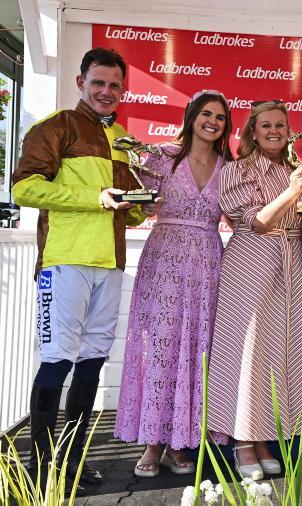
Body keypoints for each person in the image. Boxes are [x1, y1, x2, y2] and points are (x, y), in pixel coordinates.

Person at [12, 47, 159, 490]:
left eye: (115, 85)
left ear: (123, 90)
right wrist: (94, 199)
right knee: (57, 360)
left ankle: (73, 460)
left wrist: (142, 208)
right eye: (98, 82)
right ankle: (40, 464)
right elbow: (24, 188)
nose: (106, 91)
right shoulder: (55, 125)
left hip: (110, 264)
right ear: (81, 83)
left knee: (92, 363)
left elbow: (123, 207)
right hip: (64, 261)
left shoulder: (122, 138)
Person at [113, 90, 234, 477]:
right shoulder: (162, 155)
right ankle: (153, 443)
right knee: (161, 348)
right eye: (206, 114)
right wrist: (142, 205)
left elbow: (241, 217)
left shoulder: (228, 166)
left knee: (198, 349)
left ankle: (180, 443)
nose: (212, 121)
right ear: (192, 115)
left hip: (209, 266)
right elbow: (137, 204)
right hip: (164, 260)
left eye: (220, 117)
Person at [206, 101, 302, 481]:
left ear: (289, 131)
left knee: (280, 353)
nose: (274, 131)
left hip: (290, 264)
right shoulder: (236, 170)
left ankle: (263, 440)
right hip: (250, 265)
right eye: (266, 125)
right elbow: (256, 222)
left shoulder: (294, 171)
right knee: (249, 352)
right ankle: (242, 441)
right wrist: (292, 191)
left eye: (280, 125)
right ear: (252, 132)